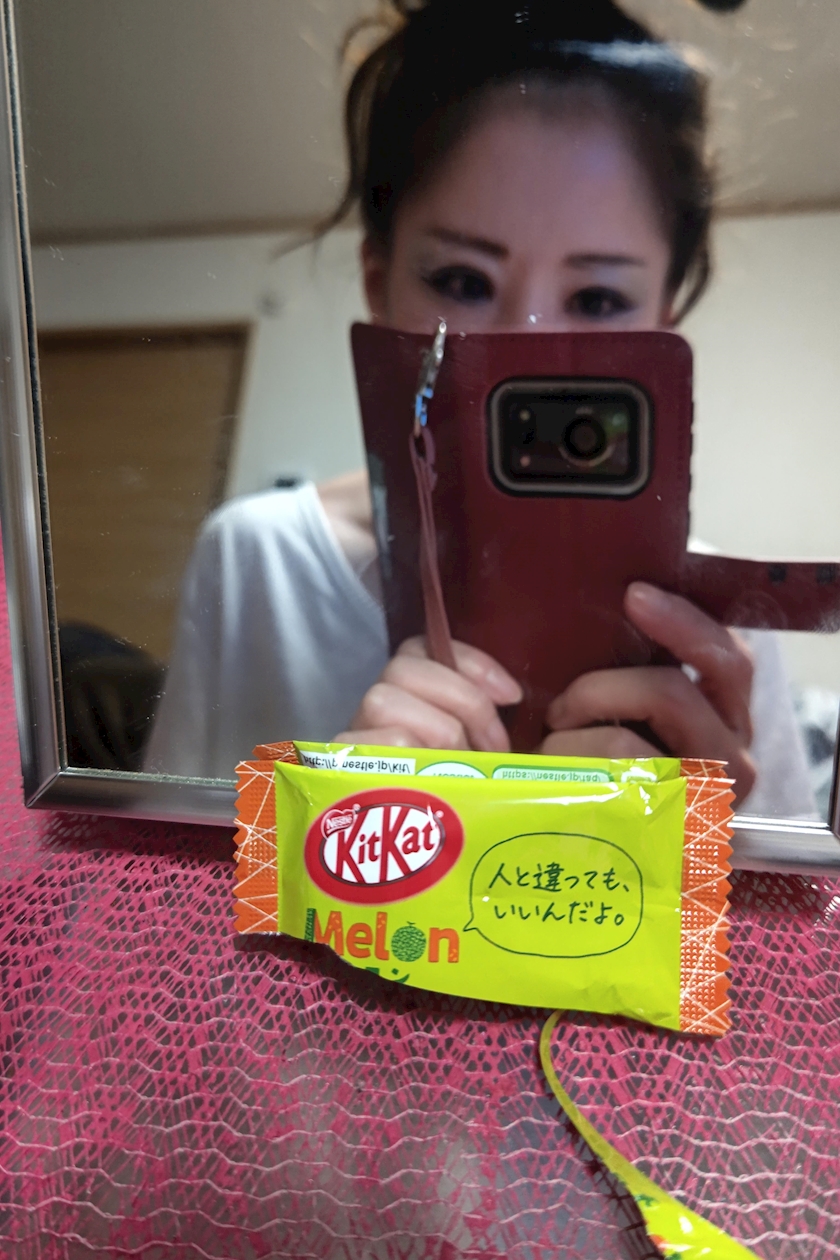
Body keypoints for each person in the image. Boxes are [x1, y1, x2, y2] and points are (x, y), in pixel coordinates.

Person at [145, 0, 816, 816]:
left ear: (661, 328)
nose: (524, 347)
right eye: (462, 282)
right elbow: (156, 876)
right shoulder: (259, 561)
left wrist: (713, 844)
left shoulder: (716, 632)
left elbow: (793, 897)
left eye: (597, 299)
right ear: (379, 288)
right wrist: (332, 835)